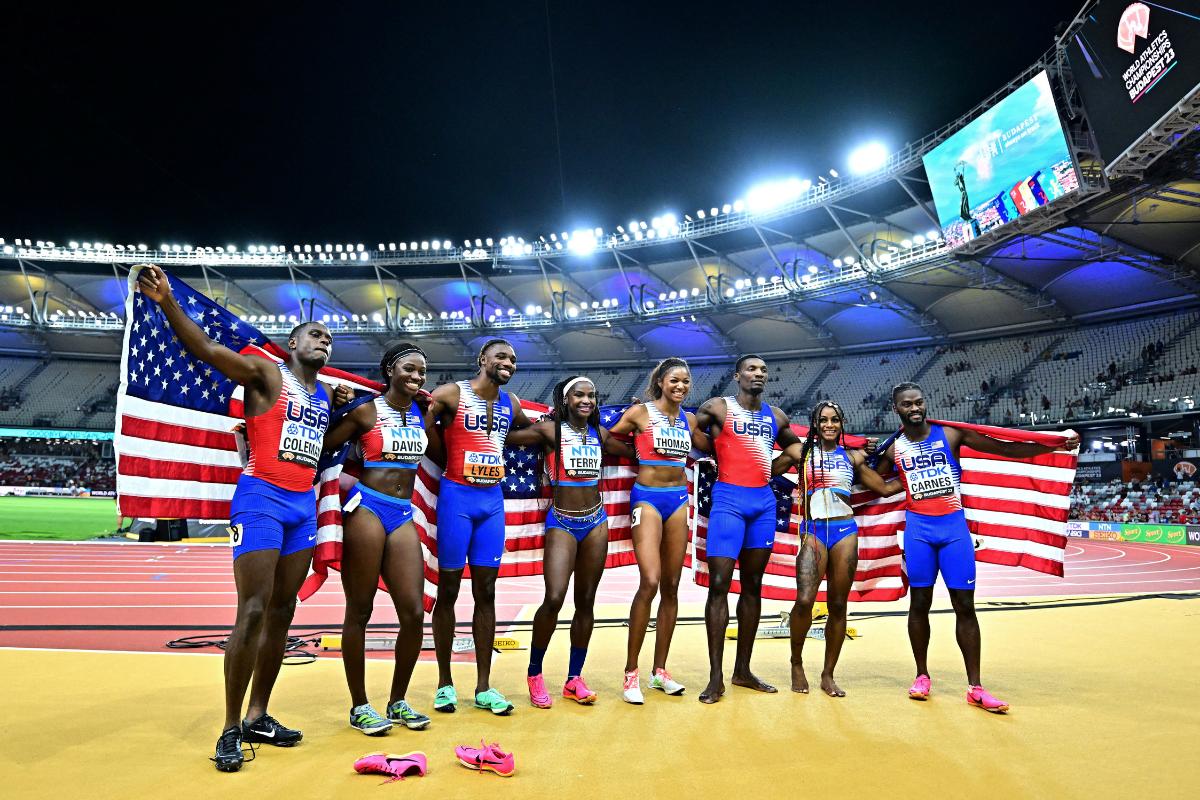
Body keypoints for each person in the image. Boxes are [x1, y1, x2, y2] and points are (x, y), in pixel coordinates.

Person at [135, 264, 351, 772]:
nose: (324, 342)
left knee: (283, 612)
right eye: (315, 335)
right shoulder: (265, 373)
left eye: (329, 339)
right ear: (292, 344)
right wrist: (168, 302)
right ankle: (230, 728)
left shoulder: (322, 396)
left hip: (301, 508)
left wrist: (339, 404)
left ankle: (259, 714)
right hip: (260, 500)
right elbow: (208, 352)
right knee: (252, 609)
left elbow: (317, 443)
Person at [871, 382, 1079, 714]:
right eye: (906, 404)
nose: (914, 408)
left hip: (954, 530)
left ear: (925, 404)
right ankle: (922, 676)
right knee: (919, 604)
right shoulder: (894, 448)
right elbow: (874, 482)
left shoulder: (951, 435)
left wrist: (1051, 443)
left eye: (919, 402)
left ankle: (975, 687)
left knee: (965, 607)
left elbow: (1004, 449)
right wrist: (858, 454)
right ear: (896, 409)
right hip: (918, 533)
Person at [320, 342, 442, 735]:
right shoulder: (365, 410)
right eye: (409, 368)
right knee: (360, 610)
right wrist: (334, 398)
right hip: (367, 508)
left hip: (402, 513)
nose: (417, 377)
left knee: (413, 612)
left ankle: (397, 700)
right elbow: (321, 444)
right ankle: (359, 706)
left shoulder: (423, 413)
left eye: (422, 371)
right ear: (390, 370)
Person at [505, 376, 632, 708]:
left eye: (591, 395)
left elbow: (637, 451)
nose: (586, 400)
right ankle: (534, 674)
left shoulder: (600, 434)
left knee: (586, 602)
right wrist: (510, 409)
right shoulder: (551, 431)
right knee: (555, 597)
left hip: (596, 522)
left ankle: (574, 678)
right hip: (561, 521)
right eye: (579, 395)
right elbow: (504, 436)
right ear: (565, 400)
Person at [426, 339, 536, 716]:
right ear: (482, 360)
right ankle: (444, 684)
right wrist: (449, 465)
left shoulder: (513, 403)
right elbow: (424, 430)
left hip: (492, 503)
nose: (508, 363)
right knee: (449, 589)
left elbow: (529, 428)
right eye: (501, 356)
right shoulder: (452, 393)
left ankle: (484, 687)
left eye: (513, 359)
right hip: (457, 497)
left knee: (487, 591)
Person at [692, 355, 802, 703]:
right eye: (751, 369)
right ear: (737, 375)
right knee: (720, 585)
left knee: (753, 585)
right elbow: (691, 430)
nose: (758, 374)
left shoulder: (776, 415)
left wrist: (778, 464)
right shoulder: (718, 407)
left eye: (763, 370)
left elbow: (796, 447)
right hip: (728, 501)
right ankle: (715, 677)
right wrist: (714, 450)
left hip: (763, 504)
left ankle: (743, 670)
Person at [772, 401, 900, 697]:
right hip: (813, 531)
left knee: (838, 605)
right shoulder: (799, 453)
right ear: (815, 424)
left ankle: (828, 674)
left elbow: (883, 488)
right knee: (804, 600)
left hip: (845, 531)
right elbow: (763, 474)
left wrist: (917, 481)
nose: (829, 425)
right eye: (823, 420)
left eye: (835, 420)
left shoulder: (853, 457)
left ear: (842, 424)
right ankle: (796, 663)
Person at [608, 357, 706, 703]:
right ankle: (630, 672)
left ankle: (659, 671)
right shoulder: (640, 413)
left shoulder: (690, 420)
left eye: (686, 381)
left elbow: (713, 447)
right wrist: (633, 449)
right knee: (649, 580)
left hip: (679, 499)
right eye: (675, 381)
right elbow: (607, 437)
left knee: (672, 586)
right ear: (661, 382)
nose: (681, 386)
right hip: (647, 498)